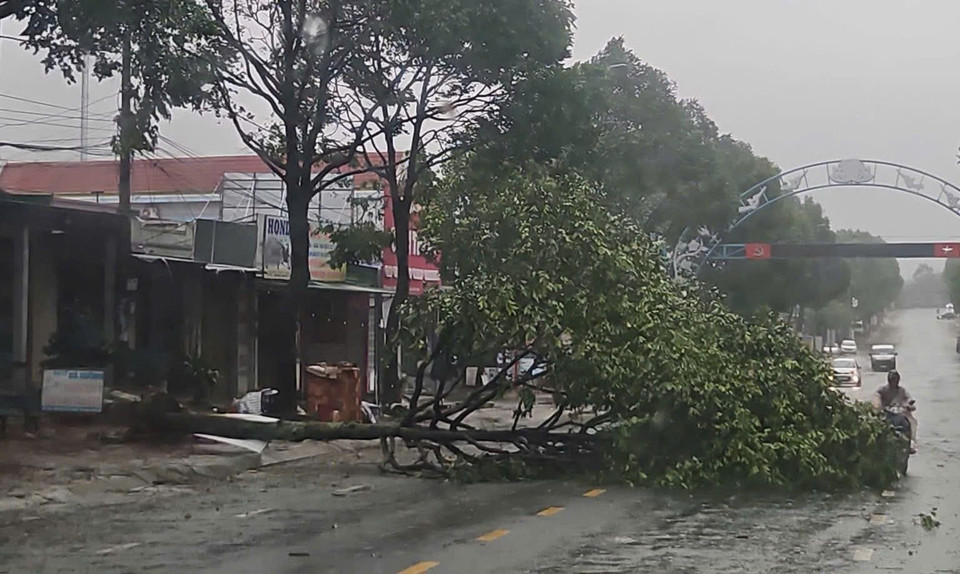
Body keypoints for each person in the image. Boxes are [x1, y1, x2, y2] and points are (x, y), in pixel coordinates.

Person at [872, 370, 917, 453]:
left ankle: (911, 443)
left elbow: (908, 398)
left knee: (912, 422)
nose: (894, 382)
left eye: (895, 379)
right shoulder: (883, 390)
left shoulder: (902, 391)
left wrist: (909, 405)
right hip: (886, 412)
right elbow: (877, 395)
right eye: (892, 379)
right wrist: (878, 404)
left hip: (900, 412)